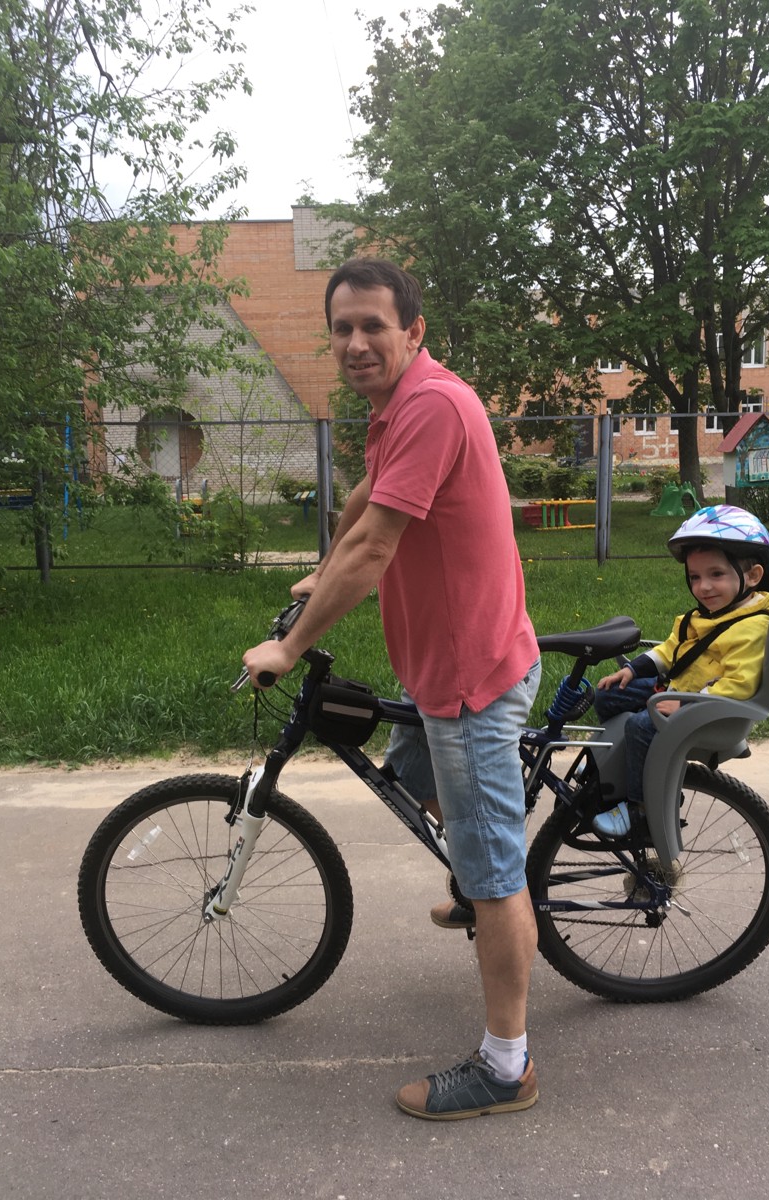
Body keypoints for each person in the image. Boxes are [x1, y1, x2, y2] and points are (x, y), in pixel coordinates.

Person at [242, 258, 542, 1120]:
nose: (355, 342)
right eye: (342, 328)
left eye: (373, 325)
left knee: (492, 873)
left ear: (413, 331)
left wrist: (290, 646)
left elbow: (377, 549)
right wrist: (320, 568)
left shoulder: (433, 405)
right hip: (441, 668)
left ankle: (506, 1065)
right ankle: (484, 878)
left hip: (470, 678)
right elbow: (368, 504)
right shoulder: (400, 407)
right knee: (409, 776)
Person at [592, 504, 769, 838]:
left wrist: (685, 705)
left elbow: (739, 684)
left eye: (716, 574)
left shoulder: (751, 628)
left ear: (752, 576)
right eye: (695, 577)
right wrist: (633, 670)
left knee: (640, 726)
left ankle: (642, 809)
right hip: (680, 691)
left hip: (708, 708)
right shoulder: (707, 615)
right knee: (607, 695)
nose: (703, 587)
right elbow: (671, 650)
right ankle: (622, 764)